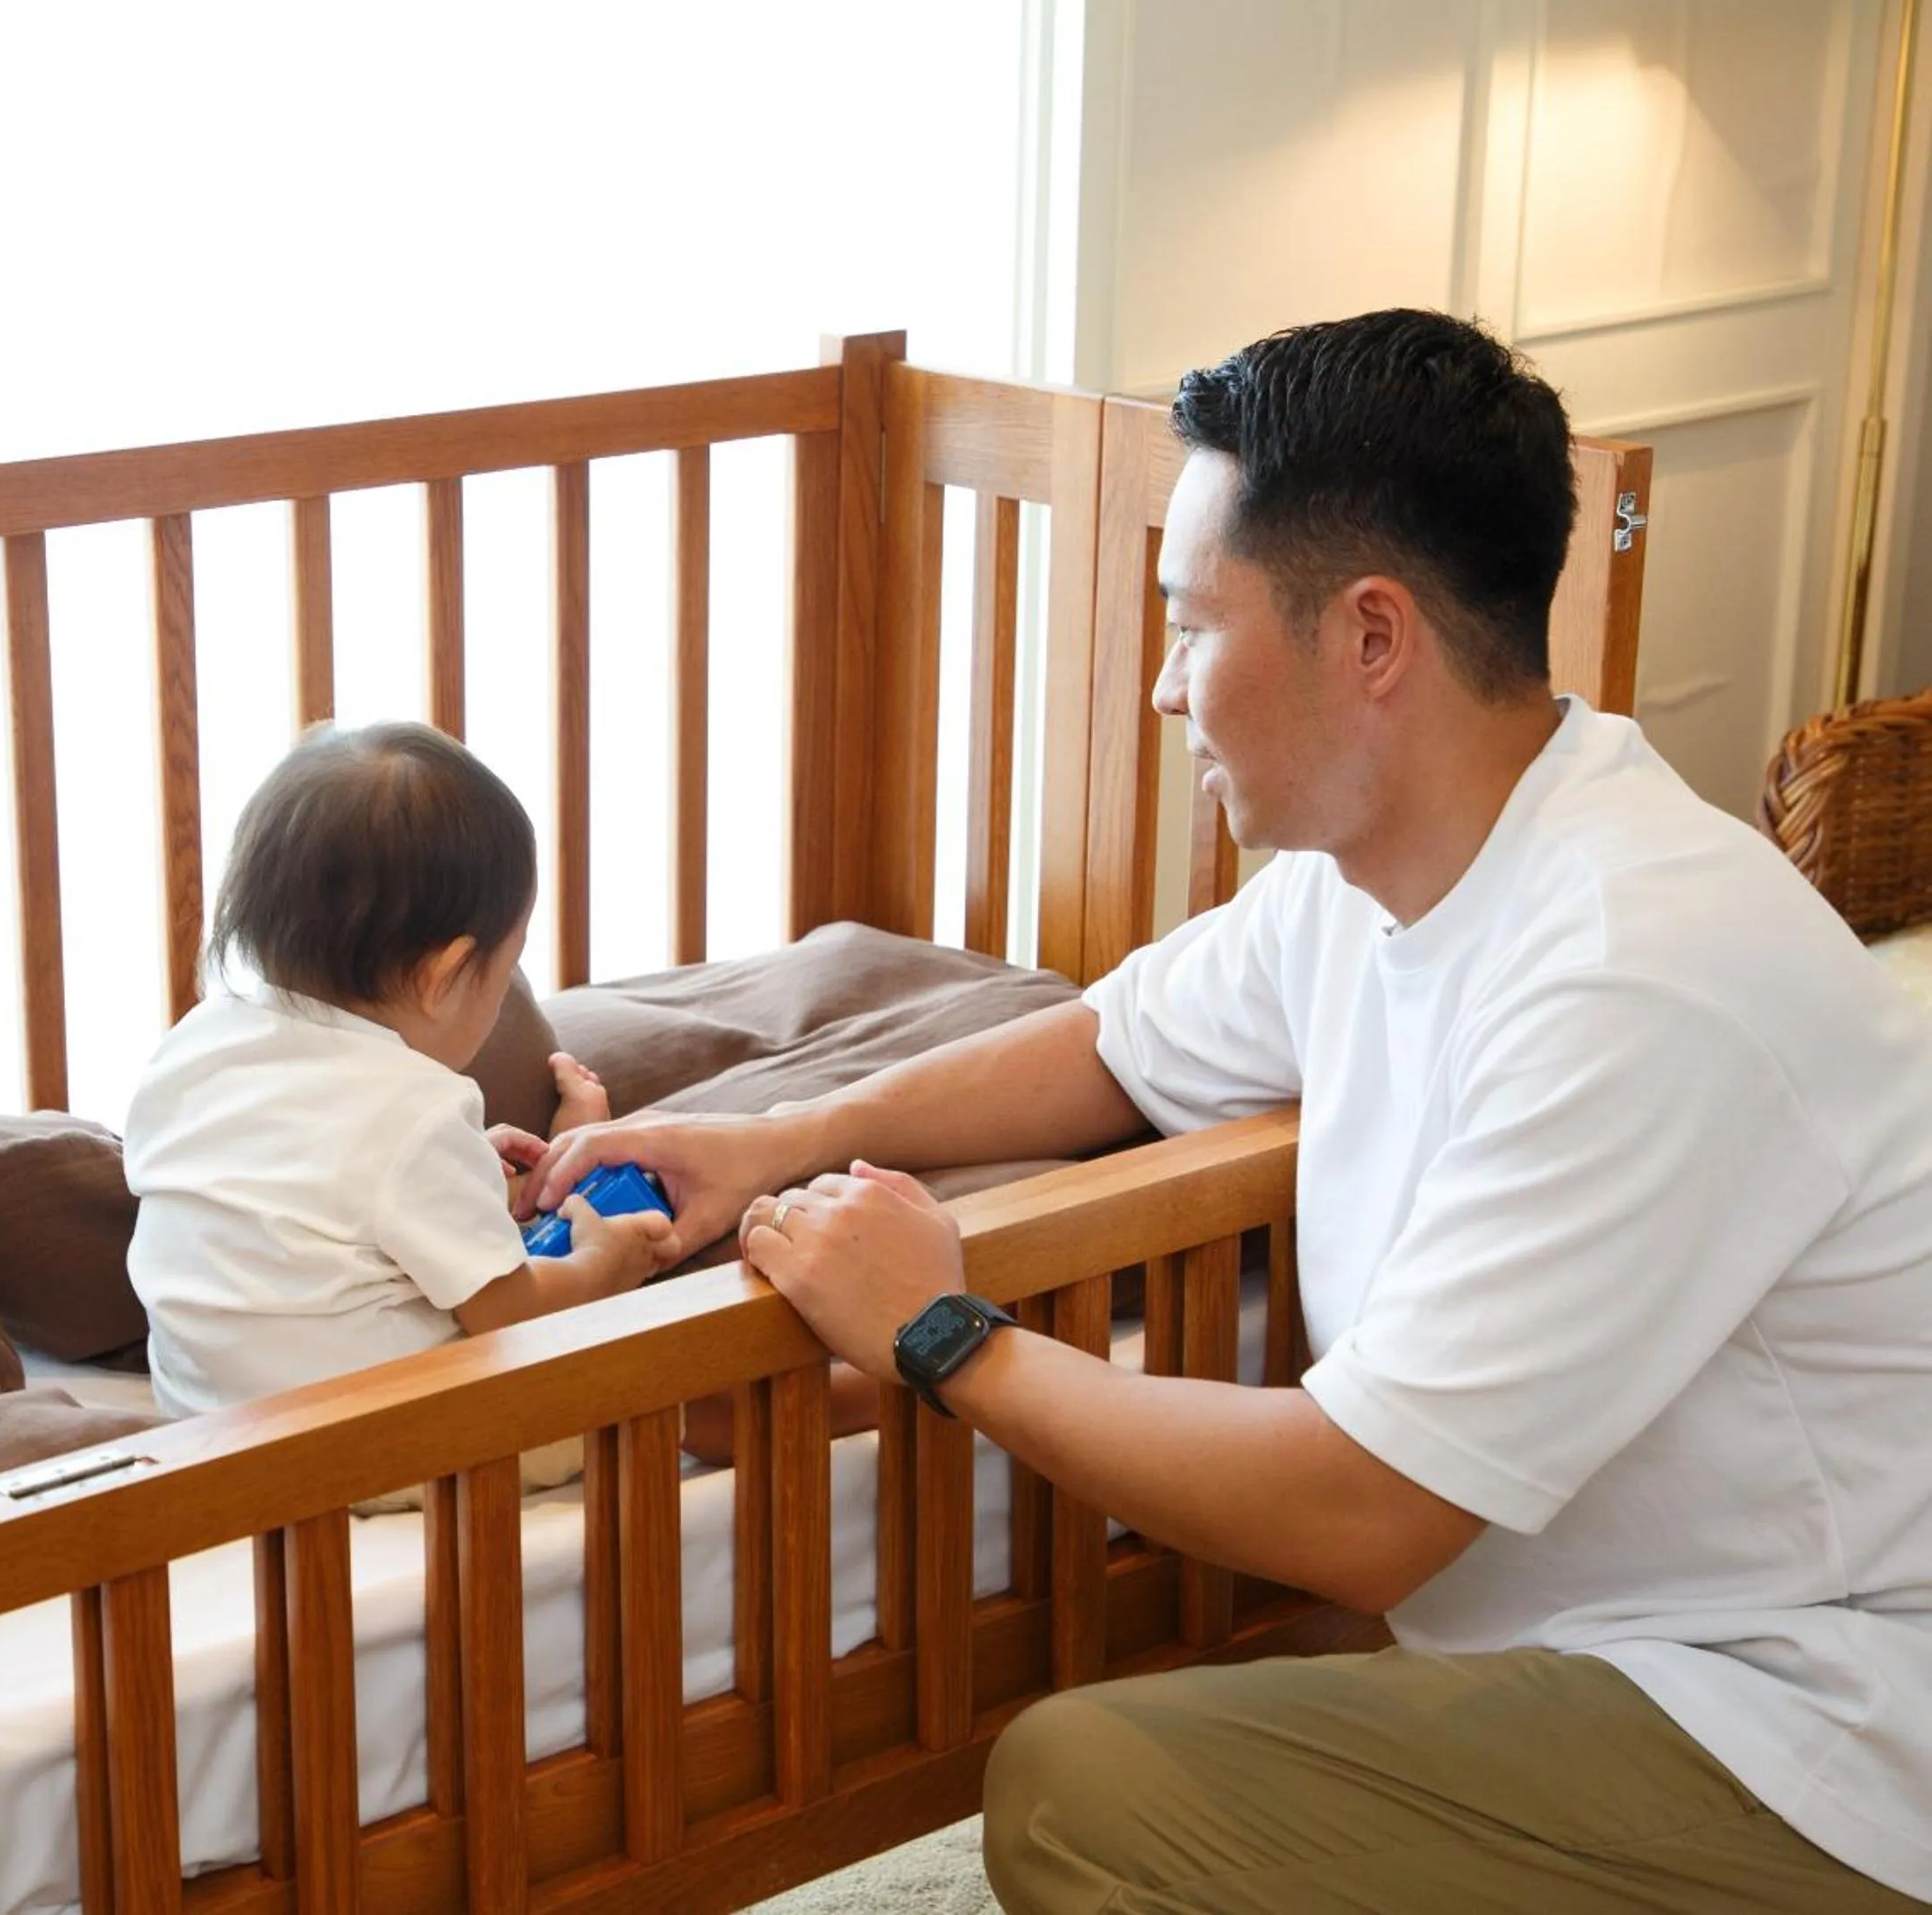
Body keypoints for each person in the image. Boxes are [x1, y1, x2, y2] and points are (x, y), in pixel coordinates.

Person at [531, 309, 1932, 1910]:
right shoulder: (1381, 869)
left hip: (1809, 1714)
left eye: (1193, 627)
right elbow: (1110, 1045)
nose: (1160, 690)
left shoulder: (1635, 973)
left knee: (1081, 1794)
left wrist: (943, 1332)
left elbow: (1365, 1512)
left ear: (1373, 638)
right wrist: (773, 1139)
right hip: (1595, 1644)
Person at [124, 721, 678, 1493]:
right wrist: (606, 1267)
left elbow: (304, 1199)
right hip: (383, 1451)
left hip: (206, 1426)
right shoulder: (416, 1112)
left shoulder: (194, 1047)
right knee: (657, 1373)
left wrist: (464, 1169)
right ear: (444, 975)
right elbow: (515, 1317)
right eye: (506, 966)